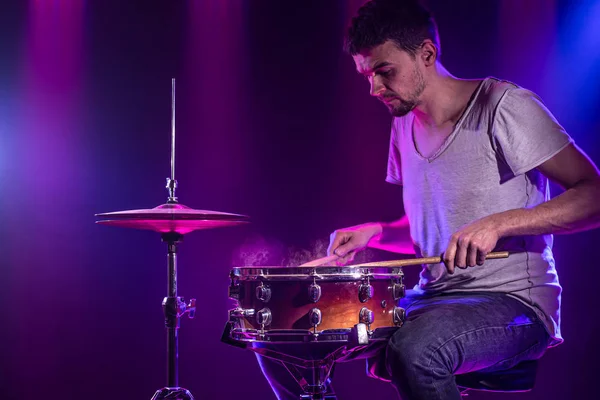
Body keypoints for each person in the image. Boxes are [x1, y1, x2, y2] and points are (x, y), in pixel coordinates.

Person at [255, 0, 600, 399]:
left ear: (427, 54)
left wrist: (499, 223)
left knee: (416, 348)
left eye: (385, 72)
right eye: (366, 76)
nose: (374, 89)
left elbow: (592, 194)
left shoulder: (504, 106)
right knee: (280, 332)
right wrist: (379, 232)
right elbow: (435, 234)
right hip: (430, 300)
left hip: (514, 304)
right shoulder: (403, 124)